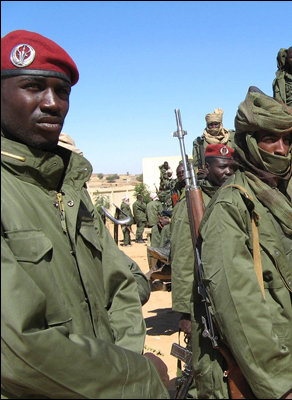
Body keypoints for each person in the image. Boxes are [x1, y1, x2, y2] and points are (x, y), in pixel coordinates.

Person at [1, 29, 169, 398]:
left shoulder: (68, 189)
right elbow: (18, 350)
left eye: (61, 92)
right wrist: (136, 377)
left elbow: (120, 285)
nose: (52, 103)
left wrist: (124, 362)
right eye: (33, 86)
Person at [191, 87, 292, 399]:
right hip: (260, 373)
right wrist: (278, 387)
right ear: (249, 143)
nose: (281, 149)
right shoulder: (232, 206)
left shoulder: (288, 198)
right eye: (270, 139)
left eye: (287, 139)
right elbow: (239, 308)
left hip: (288, 353)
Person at [170, 144, 236, 398]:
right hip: (202, 303)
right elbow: (183, 261)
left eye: (232, 167)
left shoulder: (233, 198)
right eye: (223, 166)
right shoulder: (190, 205)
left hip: (231, 299)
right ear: (206, 168)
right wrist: (185, 312)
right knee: (205, 370)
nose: (229, 172)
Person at [192, 108, 235, 178]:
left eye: (216, 124)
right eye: (211, 125)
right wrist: (199, 173)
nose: (213, 127)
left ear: (220, 124)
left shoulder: (231, 137)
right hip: (209, 178)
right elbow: (195, 165)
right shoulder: (200, 142)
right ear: (207, 125)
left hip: (230, 175)